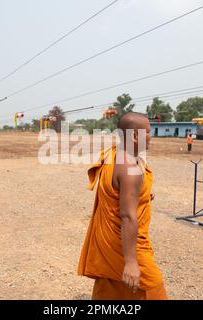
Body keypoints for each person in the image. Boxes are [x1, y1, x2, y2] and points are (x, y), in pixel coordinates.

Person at [78, 112, 167, 300]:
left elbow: (116, 191)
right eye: (149, 132)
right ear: (135, 136)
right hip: (124, 245)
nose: (152, 137)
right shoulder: (130, 169)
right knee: (153, 284)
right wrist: (131, 262)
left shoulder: (115, 155)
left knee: (112, 285)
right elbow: (127, 216)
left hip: (109, 243)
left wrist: (141, 195)